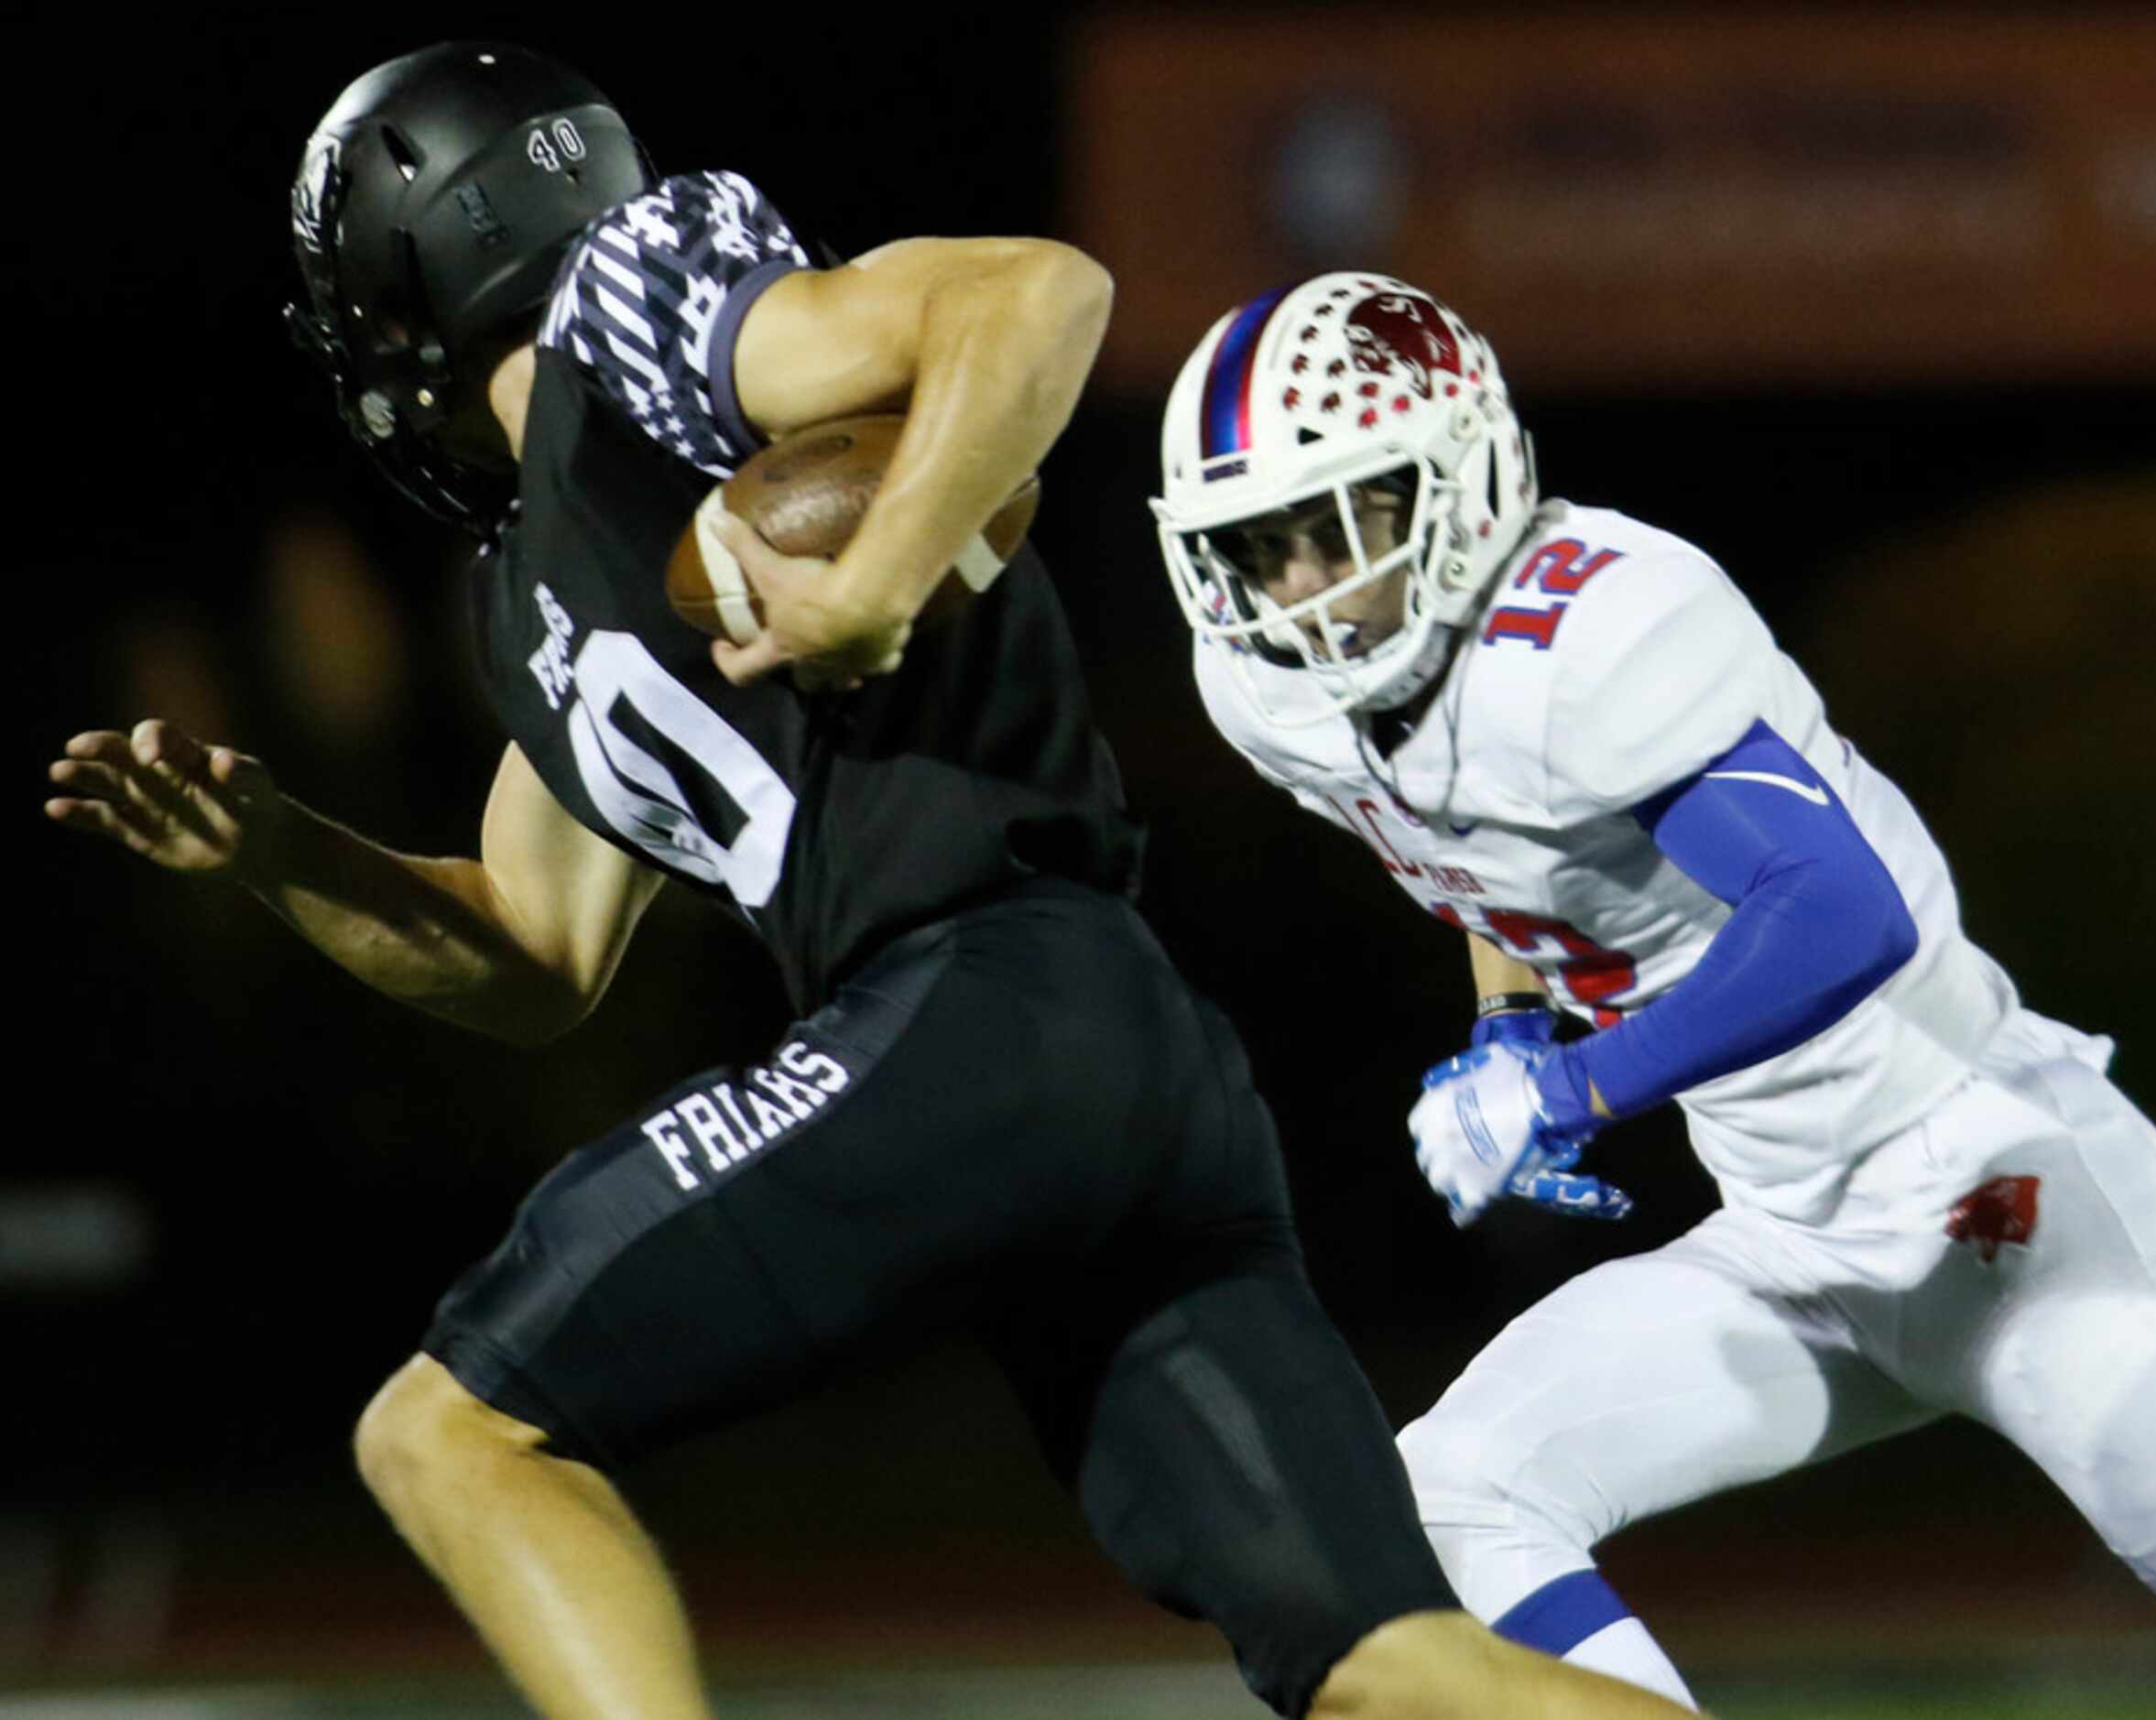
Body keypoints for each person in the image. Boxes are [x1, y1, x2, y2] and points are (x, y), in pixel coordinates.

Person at [43, 48, 1694, 1720]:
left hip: (982, 999)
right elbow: (532, 951)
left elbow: (1037, 295)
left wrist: (880, 580)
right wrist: (280, 854)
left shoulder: (635, 300)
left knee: (450, 1426)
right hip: (1106, 1060)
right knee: (1387, 1670)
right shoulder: (533, 575)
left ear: (406, 289)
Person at [1150, 270, 2156, 1718]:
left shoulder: (1599, 637)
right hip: (1796, 1238)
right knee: (1447, 1491)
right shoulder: (1272, 693)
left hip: (1999, 1206)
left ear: (1462, 483)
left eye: (1337, 525)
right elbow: (1470, 852)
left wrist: (1569, 1086)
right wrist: (1510, 1029)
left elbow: (1833, 910)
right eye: (1255, 544)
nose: (1294, 586)